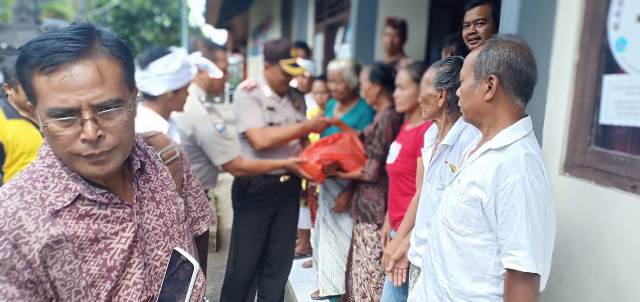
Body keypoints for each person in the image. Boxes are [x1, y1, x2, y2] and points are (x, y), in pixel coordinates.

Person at [0, 23, 211, 301]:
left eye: (108, 108)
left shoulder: (166, 157)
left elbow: (197, 232)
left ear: (135, 99)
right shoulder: (13, 224)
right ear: (34, 113)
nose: (91, 133)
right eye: (64, 117)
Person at [420, 35, 555, 301]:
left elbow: (522, 278)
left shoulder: (518, 168)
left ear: (490, 86)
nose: (456, 92)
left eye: (462, 83)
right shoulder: (482, 144)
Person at [220, 39, 330, 302]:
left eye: (293, 74)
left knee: (278, 266)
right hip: (256, 187)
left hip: (288, 187)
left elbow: (301, 144)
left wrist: (314, 163)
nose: (288, 80)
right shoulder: (249, 94)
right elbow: (260, 140)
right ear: (267, 66)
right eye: (284, 73)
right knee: (244, 266)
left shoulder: (296, 99)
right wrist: (306, 128)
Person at [334, 62, 403, 300]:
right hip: (368, 206)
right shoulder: (382, 116)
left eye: (363, 85)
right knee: (361, 274)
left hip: (375, 210)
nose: (361, 90)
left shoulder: (389, 117)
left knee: (369, 278)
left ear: (376, 86)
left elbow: (372, 171)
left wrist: (338, 173)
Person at [311, 58, 375, 300]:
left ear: (351, 83)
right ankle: (327, 287)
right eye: (331, 81)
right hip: (327, 181)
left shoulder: (364, 111)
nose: (333, 86)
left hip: (350, 185)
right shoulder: (329, 106)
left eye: (339, 81)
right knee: (325, 237)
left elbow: (369, 158)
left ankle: (339, 293)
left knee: (343, 243)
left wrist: (350, 193)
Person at [377, 62, 432, 301]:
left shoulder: (426, 131)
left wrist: (401, 240)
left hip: (411, 233)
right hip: (398, 227)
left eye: (401, 88)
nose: (395, 94)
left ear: (421, 90)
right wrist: (389, 220)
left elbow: (422, 191)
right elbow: (398, 181)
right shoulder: (405, 125)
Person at [134, 46, 193, 143]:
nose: (188, 94)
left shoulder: (168, 123)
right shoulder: (144, 132)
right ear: (168, 93)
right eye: (185, 90)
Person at [0, 66, 43, 185]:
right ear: (8, 88)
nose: (37, 94)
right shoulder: (2, 124)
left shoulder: (52, 109)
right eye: (29, 89)